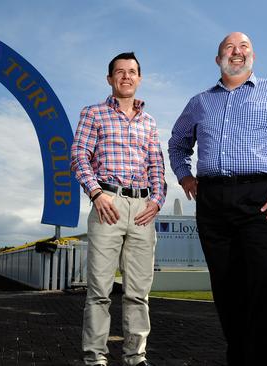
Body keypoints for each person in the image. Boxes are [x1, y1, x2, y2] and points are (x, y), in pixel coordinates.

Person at [168, 32, 267, 366]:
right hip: (213, 200)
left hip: (264, 198)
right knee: (227, 288)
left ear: (253, 56)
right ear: (217, 59)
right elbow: (177, 144)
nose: (236, 52)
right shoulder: (199, 102)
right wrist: (185, 175)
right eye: (229, 48)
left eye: (244, 47)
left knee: (264, 284)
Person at [71, 52, 166, 366]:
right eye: (120, 72)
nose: (126, 76)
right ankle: (95, 356)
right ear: (110, 79)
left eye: (132, 72)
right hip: (107, 204)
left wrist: (156, 201)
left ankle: (135, 356)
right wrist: (97, 194)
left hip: (142, 208)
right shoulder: (93, 113)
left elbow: (156, 166)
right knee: (99, 289)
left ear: (139, 78)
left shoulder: (149, 122)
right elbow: (79, 157)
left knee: (138, 292)